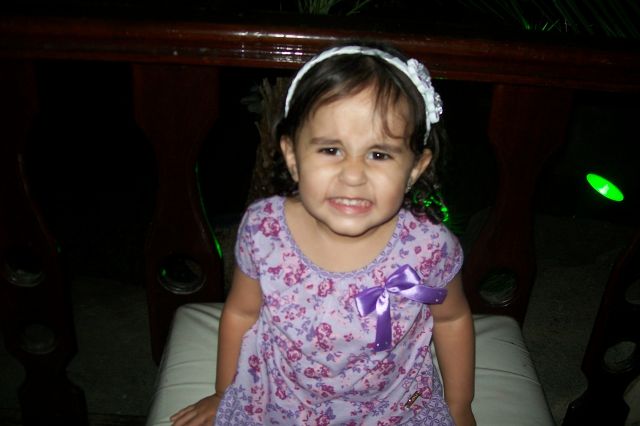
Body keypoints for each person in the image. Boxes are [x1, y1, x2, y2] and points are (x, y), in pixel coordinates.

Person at [171, 41, 476, 426]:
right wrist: (223, 391)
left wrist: (460, 405)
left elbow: (451, 320)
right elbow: (241, 312)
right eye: (331, 150)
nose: (353, 175)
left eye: (379, 154)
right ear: (292, 156)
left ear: (415, 168)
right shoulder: (264, 231)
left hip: (394, 402)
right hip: (284, 398)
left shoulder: (428, 246)